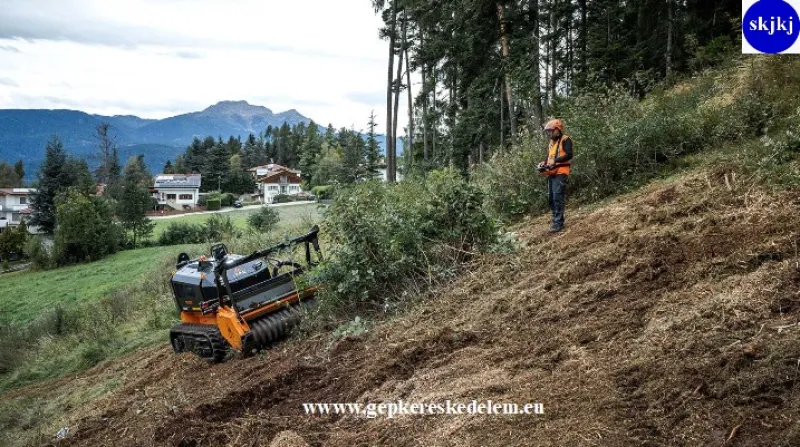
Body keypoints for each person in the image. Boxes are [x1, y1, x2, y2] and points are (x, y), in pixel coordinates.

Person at [537, 119, 573, 233]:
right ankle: (555, 220)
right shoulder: (551, 143)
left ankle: (558, 223)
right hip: (551, 172)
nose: (549, 133)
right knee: (551, 198)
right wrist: (544, 163)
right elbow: (548, 158)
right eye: (548, 131)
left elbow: (569, 154)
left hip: (561, 171)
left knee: (557, 196)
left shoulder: (566, 139)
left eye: (551, 131)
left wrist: (556, 161)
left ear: (558, 130)